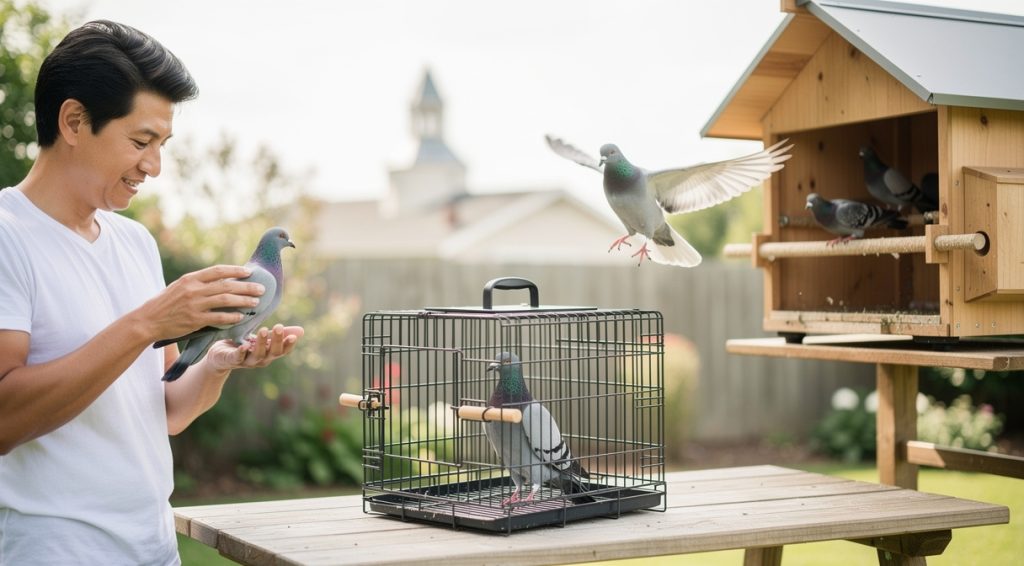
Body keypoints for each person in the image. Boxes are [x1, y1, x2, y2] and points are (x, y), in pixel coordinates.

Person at [0, 20, 304, 564]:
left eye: (161, 145)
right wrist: (147, 323)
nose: (154, 167)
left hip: (154, 547)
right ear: (74, 121)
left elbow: (165, 409)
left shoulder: (135, 242)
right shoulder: (7, 236)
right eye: (141, 141)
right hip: (57, 550)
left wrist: (218, 362)